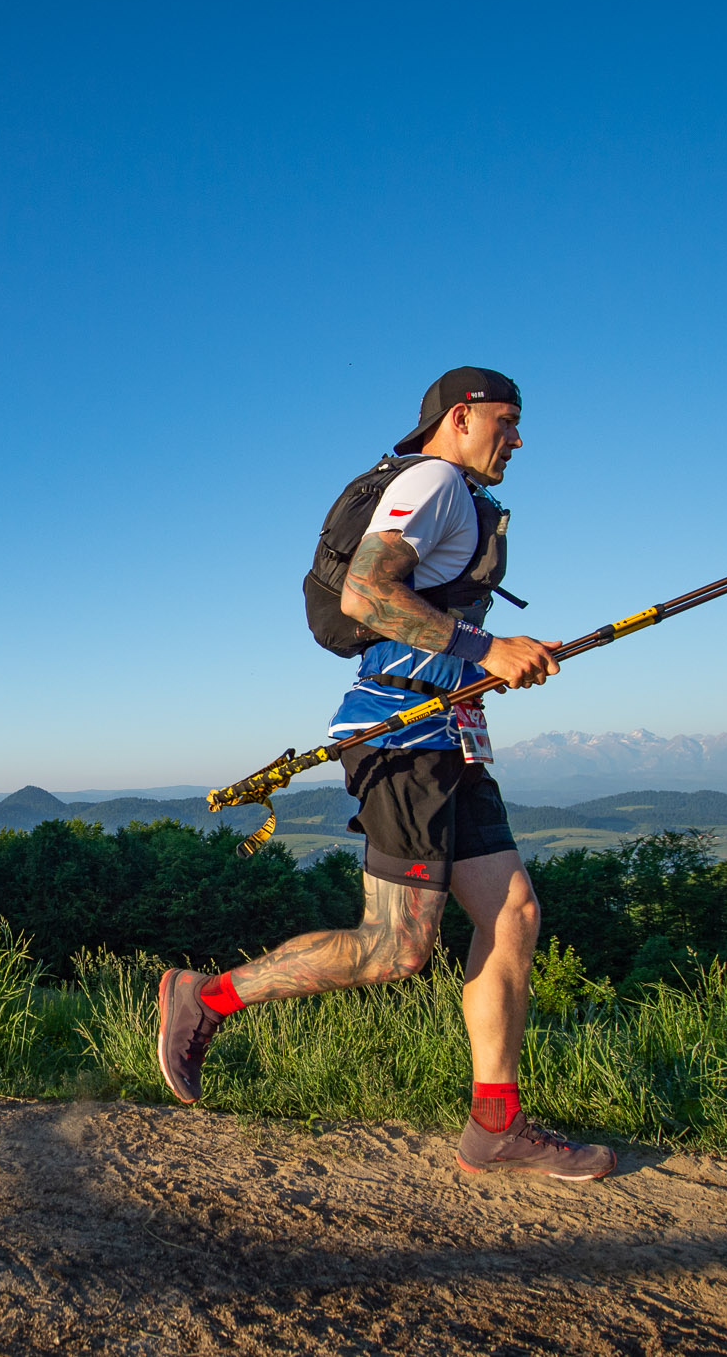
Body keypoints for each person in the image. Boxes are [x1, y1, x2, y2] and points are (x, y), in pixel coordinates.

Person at [157, 367, 616, 1180]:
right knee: (395, 947)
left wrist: (486, 664)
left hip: (449, 731)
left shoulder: (458, 495)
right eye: (506, 420)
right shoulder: (434, 481)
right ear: (461, 416)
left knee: (512, 913)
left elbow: (418, 614)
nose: (518, 438)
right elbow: (367, 593)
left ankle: (496, 1124)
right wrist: (487, 649)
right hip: (401, 737)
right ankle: (207, 996)